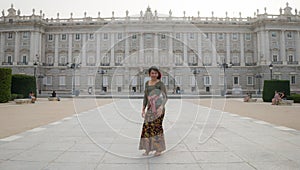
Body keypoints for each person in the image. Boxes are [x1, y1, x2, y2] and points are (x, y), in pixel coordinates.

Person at [139, 66, 168, 156]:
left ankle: (158, 149)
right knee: (147, 128)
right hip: (150, 109)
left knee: (157, 128)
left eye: (155, 73)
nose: (154, 75)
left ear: (158, 74)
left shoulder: (160, 84)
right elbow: (145, 96)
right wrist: (143, 108)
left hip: (159, 108)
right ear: (149, 74)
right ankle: (147, 149)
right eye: (152, 73)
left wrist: (161, 107)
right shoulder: (147, 83)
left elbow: (165, 96)